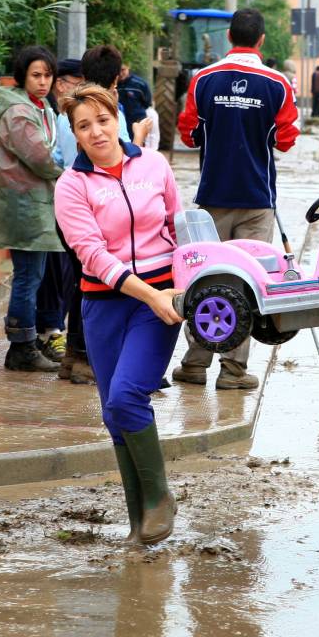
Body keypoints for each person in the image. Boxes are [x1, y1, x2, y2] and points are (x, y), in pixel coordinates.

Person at [54, 83, 183, 546]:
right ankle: (139, 526)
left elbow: (177, 225)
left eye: (102, 120)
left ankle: (160, 499)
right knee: (114, 414)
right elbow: (92, 255)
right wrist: (146, 292)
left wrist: (176, 289)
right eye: (83, 126)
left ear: (119, 117)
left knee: (128, 397)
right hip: (104, 305)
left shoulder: (154, 165)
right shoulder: (71, 186)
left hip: (159, 304)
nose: (96, 132)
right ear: (74, 135)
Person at [174, 7, 299, 389]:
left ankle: (194, 365)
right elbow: (286, 140)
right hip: (257, 198)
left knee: (205, 278)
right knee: (245, 281)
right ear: (261, 40)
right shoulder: (277, 84)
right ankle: (233, 371)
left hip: (212, 198)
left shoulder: (203, 80)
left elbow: (188, 134)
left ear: (229, 37)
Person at [0, 46, 64, 372]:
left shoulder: (40, 107)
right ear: (23, 77)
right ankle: (21, 347)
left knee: (34, 275)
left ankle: (27, 344)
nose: (43, 81)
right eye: (36, 75)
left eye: (47, 75)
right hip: (25, 206)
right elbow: (43, 159)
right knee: (28, 278)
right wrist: (72, 170)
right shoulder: (19, 113)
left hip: (36, 204)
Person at [49, 58, 94, 385]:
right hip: (85, 212)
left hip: (67, 211)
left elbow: (55, 159)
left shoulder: (63, 118)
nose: (97, 131)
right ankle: (82, 358)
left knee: (78, 284)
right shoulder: (108, 115)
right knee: (90, 285)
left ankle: (72, 359)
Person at [117, 64, 153, 140]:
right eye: (118, 70)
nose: (120, 73)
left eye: (123, 70)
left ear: (128, 67)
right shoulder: (114, 85)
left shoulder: (140, 84)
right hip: (120, 123)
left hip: (137, 121)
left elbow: (147, 102)